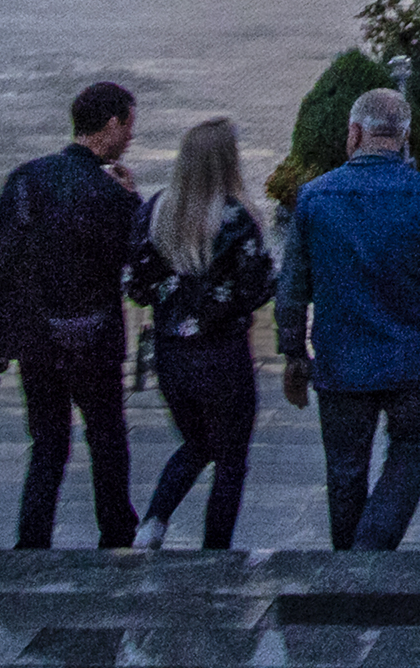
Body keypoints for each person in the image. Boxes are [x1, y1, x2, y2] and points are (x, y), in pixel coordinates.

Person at [274, 87, 420, 550]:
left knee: (344, 470)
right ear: (404, 137)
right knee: (413, 450)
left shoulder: (314, 199)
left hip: (340, 364)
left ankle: (350, 566)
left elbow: (292, 289)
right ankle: (371, 550)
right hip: (411, 364)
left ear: (354, 133)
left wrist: (295, 356)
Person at [0, 79, 142, 550]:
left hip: (38, 340)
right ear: (111, 124)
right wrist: (132, 201)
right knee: (107, 439)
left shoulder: (26, 179)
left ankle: (33, 541)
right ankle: (117, 536)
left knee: (47, 443)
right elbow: (138, 260)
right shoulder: (108, 195)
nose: (130, 138)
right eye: (129, 126)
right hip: (95, 339)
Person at [126, 116, 277, 548]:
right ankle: (215, 551)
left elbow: (135, 286)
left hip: (172, 357)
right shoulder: (235, 218)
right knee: (231, 460)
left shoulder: (155, 211)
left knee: (196, 442)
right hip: (224, 356)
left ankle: (154, 521)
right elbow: (256, 288)